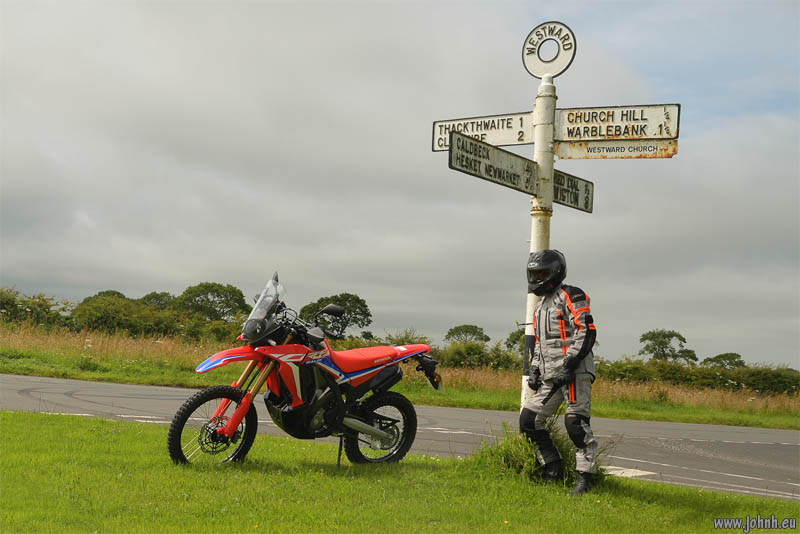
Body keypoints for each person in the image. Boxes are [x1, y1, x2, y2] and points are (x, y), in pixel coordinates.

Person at [520, 249, 598, 495]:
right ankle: (552, 466)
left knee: (575, 423)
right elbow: (540, 344)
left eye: (542, 273)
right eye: (534, 273)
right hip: (551, 375)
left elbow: (586, 330)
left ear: (555, 272)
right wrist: (534, 369)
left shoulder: (572, 295)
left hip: (575, 371)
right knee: (529, 420)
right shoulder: (540, 307)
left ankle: (584, 477)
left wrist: (569, 364)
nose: (537, 278)